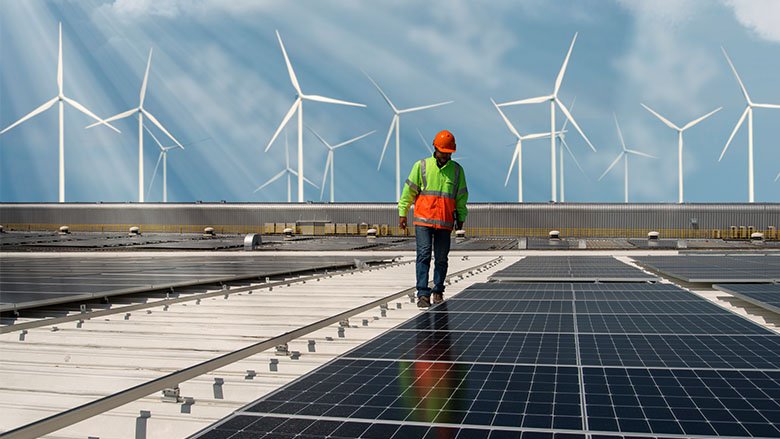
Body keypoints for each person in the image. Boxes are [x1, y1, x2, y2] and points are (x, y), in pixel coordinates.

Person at [398, 129, 468, 308]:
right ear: (435, 149)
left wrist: (461, 217)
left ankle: (438, 290)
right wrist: (402, 213)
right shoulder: (421, 166)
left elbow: (461, 197)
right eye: (442, 152)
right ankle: (422, 293)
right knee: (423, 255)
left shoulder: (457, 171)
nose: (445, 156)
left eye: (448, 153)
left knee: (442, 258)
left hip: (445, 223)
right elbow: (409, 191)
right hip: (423, 221)